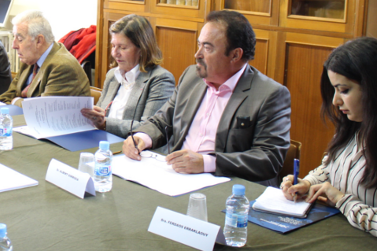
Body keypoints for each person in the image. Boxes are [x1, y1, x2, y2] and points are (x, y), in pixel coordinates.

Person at [122, 10, 291, 185]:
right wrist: (142, 137)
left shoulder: (269, 94)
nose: (197, 54)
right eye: (199, 45)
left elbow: (269, 158)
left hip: (228, 186)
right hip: (175, 178)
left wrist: (207, 163)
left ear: (235, 55)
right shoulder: (191, 77)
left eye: (207, 48)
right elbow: (164, 119)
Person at [281, 37, 377, 238]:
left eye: (344, 90)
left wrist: (342, 200)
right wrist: (307, 183)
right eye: (334, 90)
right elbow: (330, 168)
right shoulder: (354, 127)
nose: (335, 101)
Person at [80, 14, 175, 138]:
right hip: (103, 140)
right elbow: (101, 114)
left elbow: (149, 128)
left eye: (122, 48)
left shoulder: (160, 79)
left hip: (134, 148)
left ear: (142, 48)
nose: (115, 53)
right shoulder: (112, 75)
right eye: (113, 46)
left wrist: (104, 123)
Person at [0, 10, 91, 107]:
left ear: (39, 41)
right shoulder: (29, 58)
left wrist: (15, 101)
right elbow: (5, 98)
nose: (14, 45)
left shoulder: (62, 67)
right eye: (14, 38)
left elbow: (43, 111)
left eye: (20, 39)